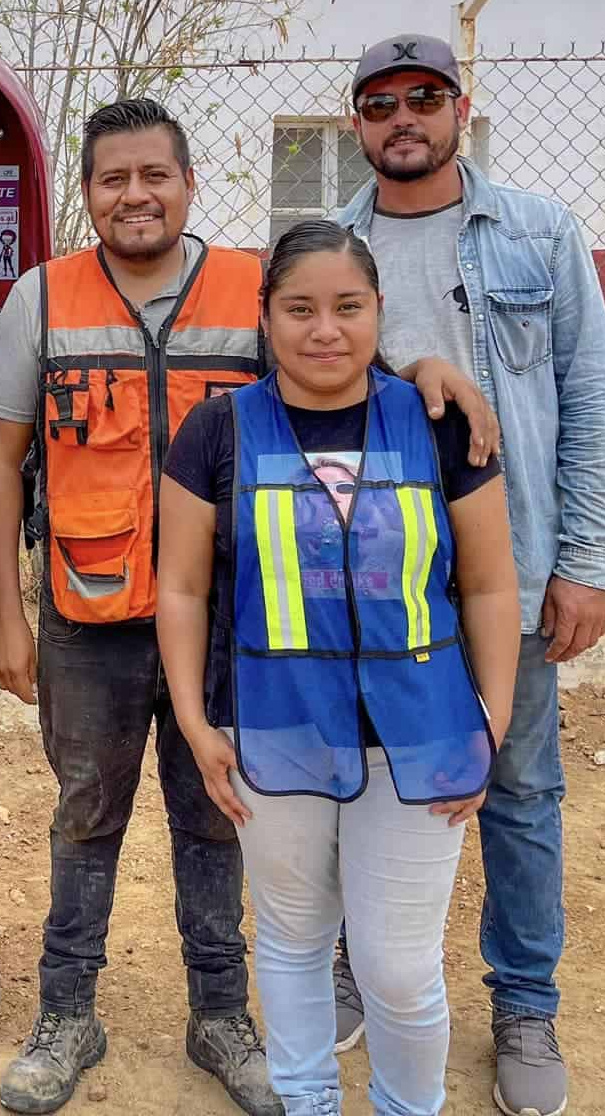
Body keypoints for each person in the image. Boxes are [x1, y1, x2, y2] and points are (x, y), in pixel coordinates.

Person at [0, 98, 496, 1116]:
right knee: (84, 814)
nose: (134, 196)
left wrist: (427, 366)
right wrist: (5, 610)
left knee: (217, 814)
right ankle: (65, 1013)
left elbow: (334, 364)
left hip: (230, 626)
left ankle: (220, 1014)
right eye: (112, 179)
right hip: (86, 615)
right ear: (84, 195)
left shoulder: (246, 290)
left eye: (153, 176)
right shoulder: (41, 299)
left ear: (187, 182)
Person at [157, 219, 522, 1116]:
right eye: (300, 309)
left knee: (399, 968)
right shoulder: (216, 431)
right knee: (291, 937)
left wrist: (493, 719)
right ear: (266, 317)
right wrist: (200, 725)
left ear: (379, 312)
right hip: (271, 728)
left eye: (347, 308)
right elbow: (181, 589)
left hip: (419, 731)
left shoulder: (436, 421)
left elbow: (487, 584)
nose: (325, 330)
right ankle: (308, 1101)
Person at [332, 33, 605, 1116]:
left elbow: (594, 397)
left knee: (513, 789)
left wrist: (586, 560)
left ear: (460, 108)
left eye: (422, 98)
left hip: (508, 568)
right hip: (365, 580)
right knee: (352, 776)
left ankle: (522, 1002)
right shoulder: (332, 246)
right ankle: (347, 968)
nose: (401, 118)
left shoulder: (536, 234)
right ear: (355, 122)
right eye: (378, 103)